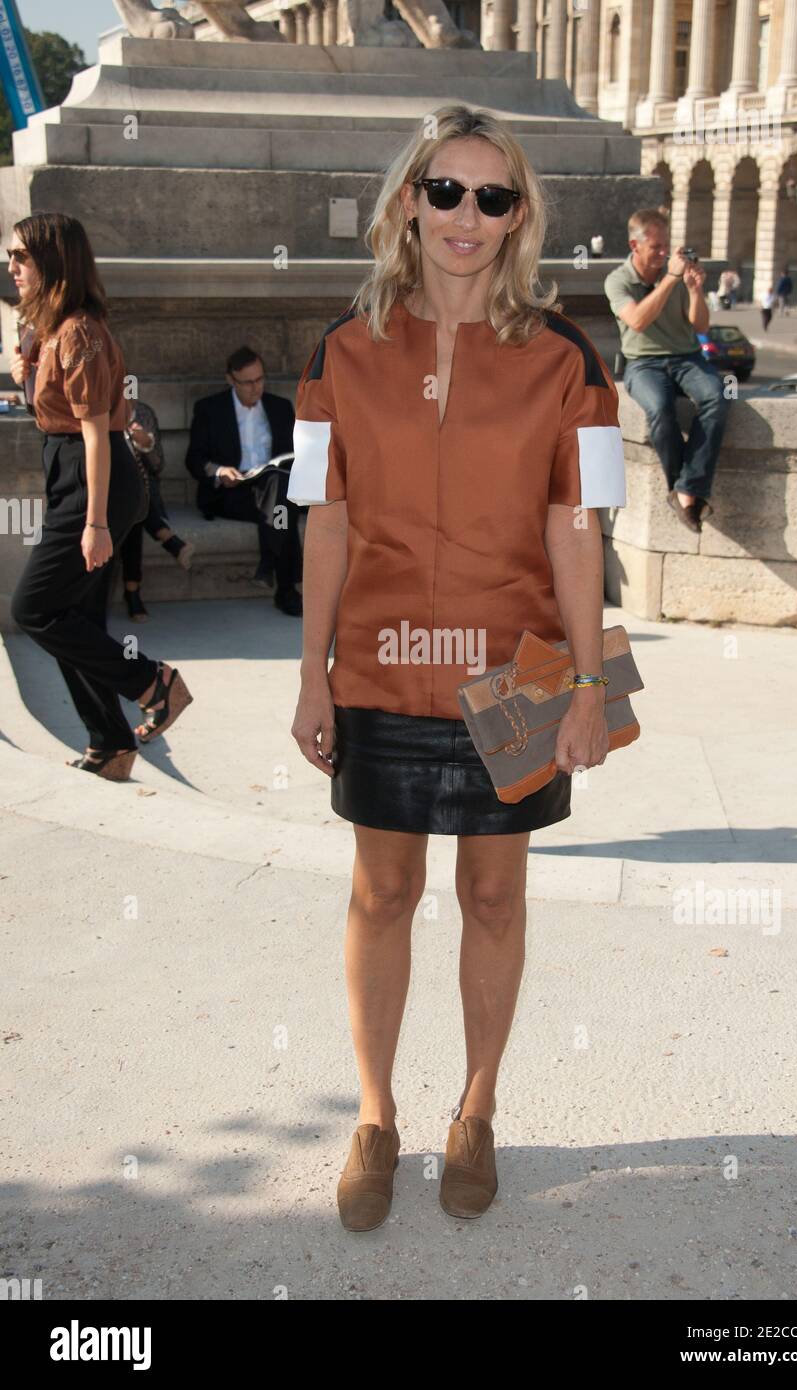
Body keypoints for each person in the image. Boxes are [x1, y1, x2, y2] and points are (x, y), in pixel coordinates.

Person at [287, 103, 627, 1232]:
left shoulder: (570, 359)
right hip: (380, 666)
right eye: (446, 191)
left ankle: (476, 1108)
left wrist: (586, 683)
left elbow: (580, 530)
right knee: (382, 893)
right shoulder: (337, 353)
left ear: (519, 216)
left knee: (493, 893)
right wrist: (311, 671)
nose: (466, 216)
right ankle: (376, 1116)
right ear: (408, 203)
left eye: (493, 196)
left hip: (517, 671)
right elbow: (323, 523)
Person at [8, 213, 193, 780]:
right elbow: (69, 411)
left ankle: (153, 682)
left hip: (95, 480)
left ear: (53, 261)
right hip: (74, 474)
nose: (10, 266)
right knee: (75, 617)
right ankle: (110, 744)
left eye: (20, 256)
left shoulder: (80, 332)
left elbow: (96, 432)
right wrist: (24, 372)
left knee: (33, 609)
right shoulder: (55, 328)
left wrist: (94, 523)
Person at [603, 207, 729, 533]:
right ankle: (683, 488)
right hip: (642, 362)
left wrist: (694, 290)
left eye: (665, 246)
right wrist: (671, 280)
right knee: (659, 408)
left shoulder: (674, 275)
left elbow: (700, 325)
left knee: (716, 396)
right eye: (655, 247)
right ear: (635, 246)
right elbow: (638, 321)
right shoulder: (618, 281)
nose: (663, 253)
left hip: (687, 357)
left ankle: (687, 489)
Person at [185, 347, 303, 616]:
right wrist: (218, 471)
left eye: (260, 379)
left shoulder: (279, 408)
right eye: (247, 382)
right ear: (231, 380)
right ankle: (286, 589)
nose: (255, 387)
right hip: (232, 492)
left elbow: (293, 455)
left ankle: (269, 565)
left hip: (272, 487)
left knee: (278, 488)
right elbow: (194, 459)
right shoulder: (209, 409)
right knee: (283, 509)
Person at [119, 397, 195, 622]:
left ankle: (133, 593)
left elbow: (157, 464)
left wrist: (144, 442)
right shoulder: (98, 414)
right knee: (132, 506)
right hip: (116, 495)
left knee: (134, 510)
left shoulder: (142, 413)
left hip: (144, 491)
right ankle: (171, 542)